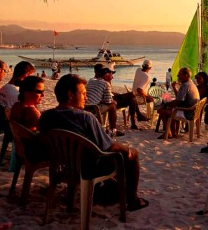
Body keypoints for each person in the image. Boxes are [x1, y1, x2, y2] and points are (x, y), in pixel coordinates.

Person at [39, 74, 149, 212]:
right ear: (70, 95)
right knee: (132, 155)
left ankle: (103, 191)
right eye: (83, 93)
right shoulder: (85, 117)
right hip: (90, 168)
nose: (86, 97)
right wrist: (128, 150)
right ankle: (132, 200)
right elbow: (109, 146)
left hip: (64, 166)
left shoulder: (46, 116)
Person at [157, 67, 200, 139]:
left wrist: (166, 105)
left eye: (179, 74)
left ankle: (168, 132)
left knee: (162, 110)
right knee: (171, 108)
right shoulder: (191, 83)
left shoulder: (185, 85)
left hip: (187, 113)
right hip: (192, 111)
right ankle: (174, 132)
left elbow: (178, 101)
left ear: (186, 75)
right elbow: (179, 98)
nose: (177, 76)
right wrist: (174, 87)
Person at [85, 64, 124, 136]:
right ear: (105, 75)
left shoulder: (90, 80)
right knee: (113, 105)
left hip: (85, 107)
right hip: (94, 109)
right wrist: (113, 101)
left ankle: (109, 128)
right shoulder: (105, 83)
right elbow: (108, 101)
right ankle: (113, 130)